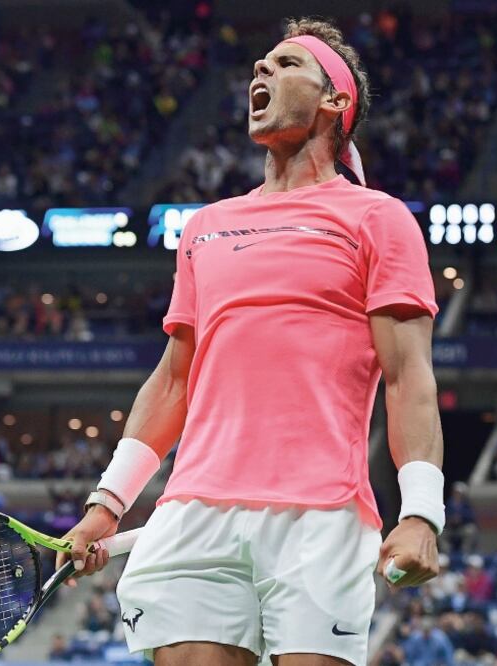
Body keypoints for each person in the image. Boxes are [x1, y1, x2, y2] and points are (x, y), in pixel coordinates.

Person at [57, 17, 445, 666]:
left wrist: (421, 514)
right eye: (259, 66)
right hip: (193, 514)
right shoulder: (207, 227)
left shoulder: (378, 219)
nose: (260, 72)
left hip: (321, 515)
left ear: (335, 102)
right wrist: (106, 505)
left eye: (286, 64)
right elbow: (174, 380)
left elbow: (408, 379)